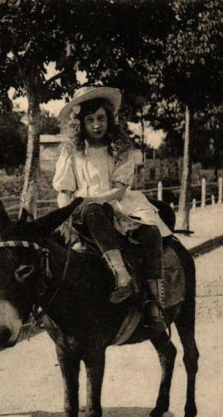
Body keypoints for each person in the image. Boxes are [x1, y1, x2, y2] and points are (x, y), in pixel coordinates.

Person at [53, 86, 170, 332]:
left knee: (150, 232)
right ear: (80, 123)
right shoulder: (72, 151)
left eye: (101, 118)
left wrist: (92, 199)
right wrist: (67, 213)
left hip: (115, 203)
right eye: (90, 120)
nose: (96, 125)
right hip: (82, 212)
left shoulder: (119, 148)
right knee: (84, 219)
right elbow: (64, 191)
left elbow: (118, 189)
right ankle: (121, 275)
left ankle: (154, 304)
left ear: (109, 119)